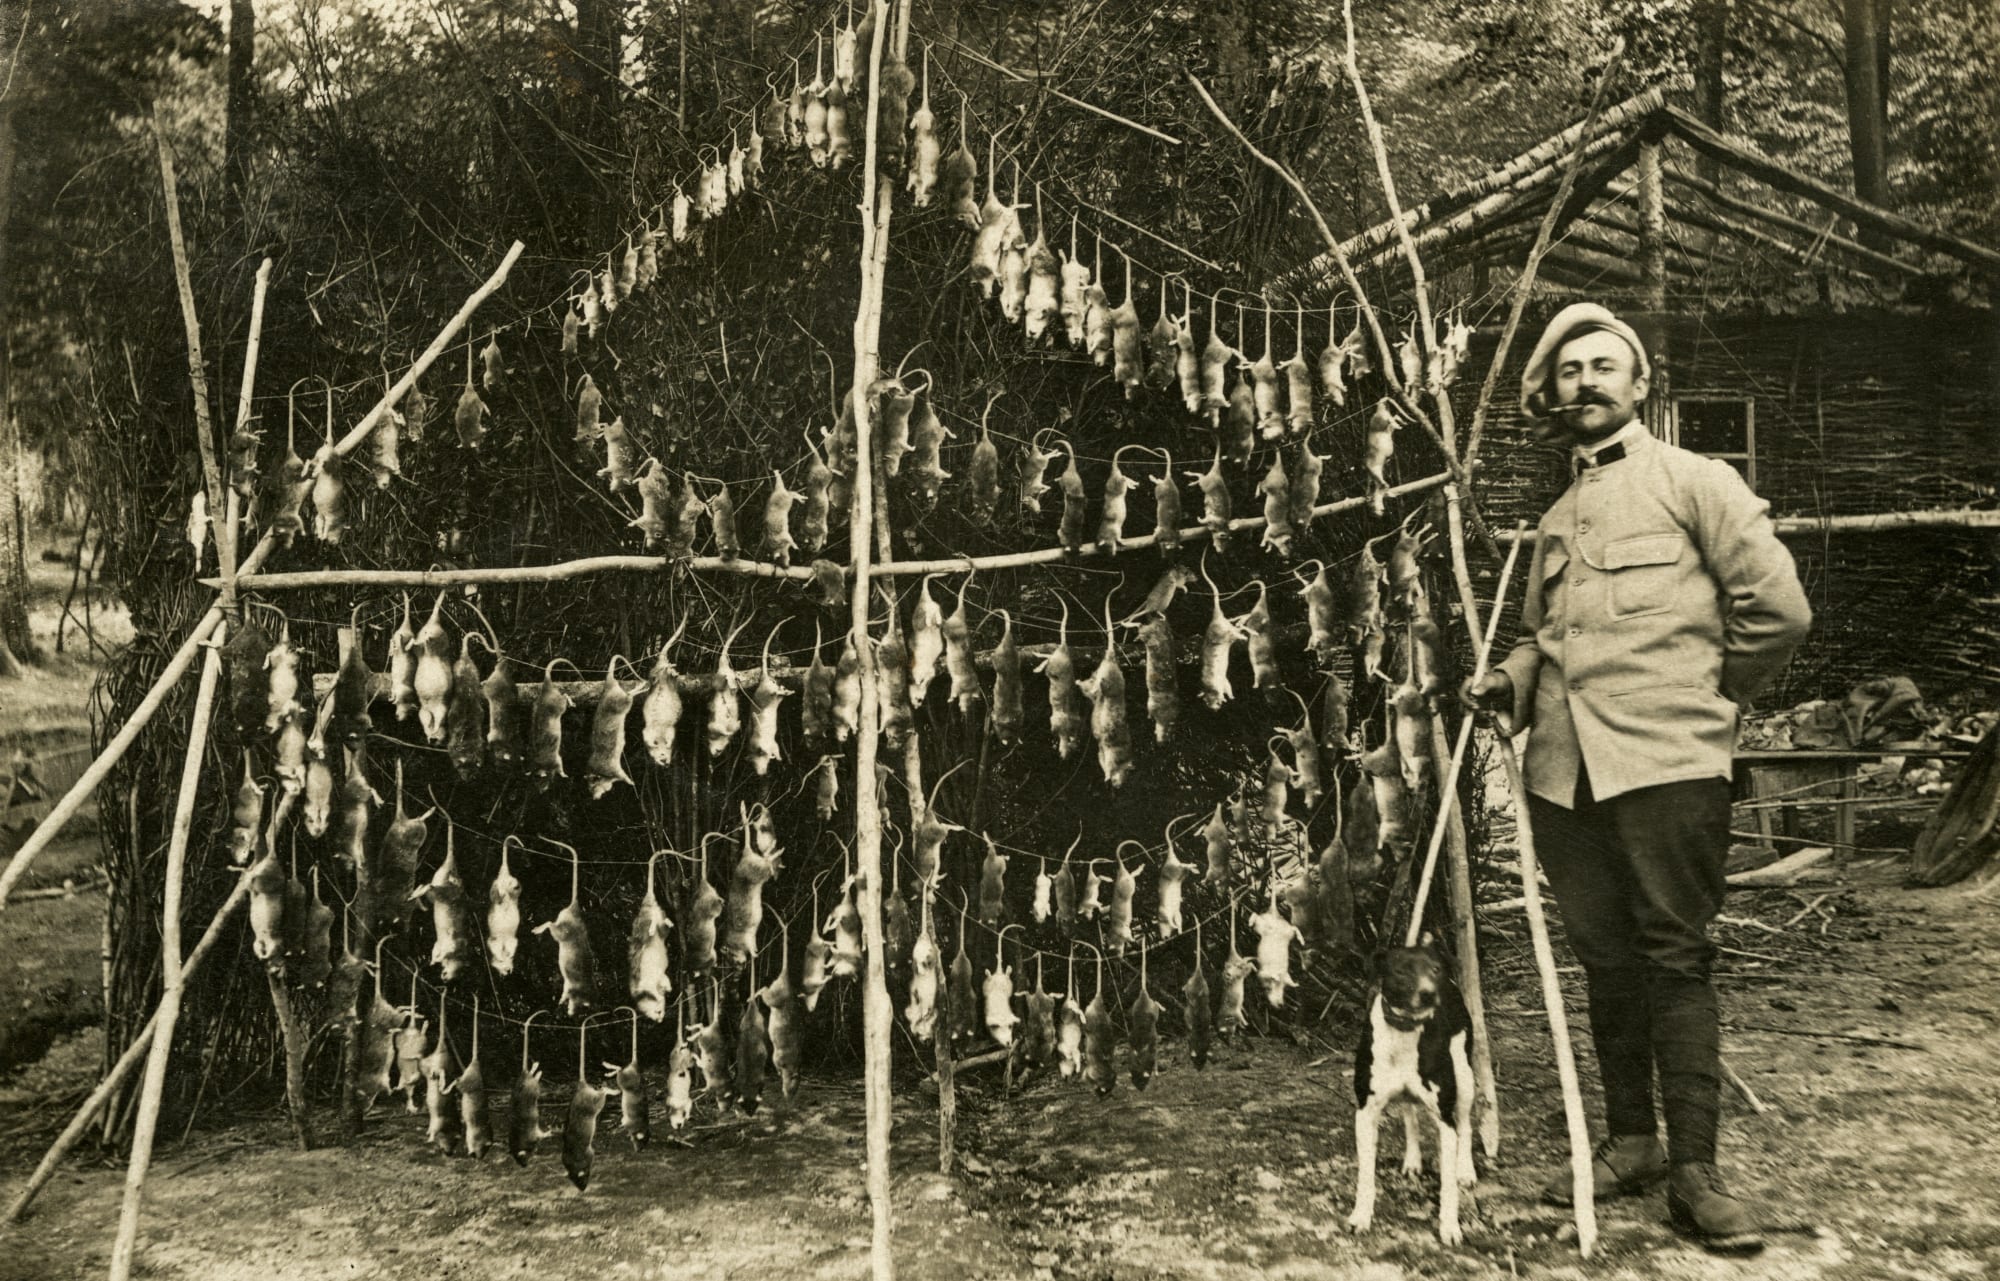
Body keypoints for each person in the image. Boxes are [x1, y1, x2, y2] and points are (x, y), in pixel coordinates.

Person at [1464, 303, 1811, 1254]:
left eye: (1603, 365)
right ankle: (1632, 1142)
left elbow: (1778, 609)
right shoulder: (1555, 518)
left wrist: (1708, 696)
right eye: (1569, 369)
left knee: (1674, 953)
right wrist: (1509, 678)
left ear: (1641, 383)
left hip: (1668, 764)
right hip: (1565, 772)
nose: (1585, 381)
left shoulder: (1697, 481)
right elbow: (1549, 638)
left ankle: (1697, 1173)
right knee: (1605, 956)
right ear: (1554, 393)